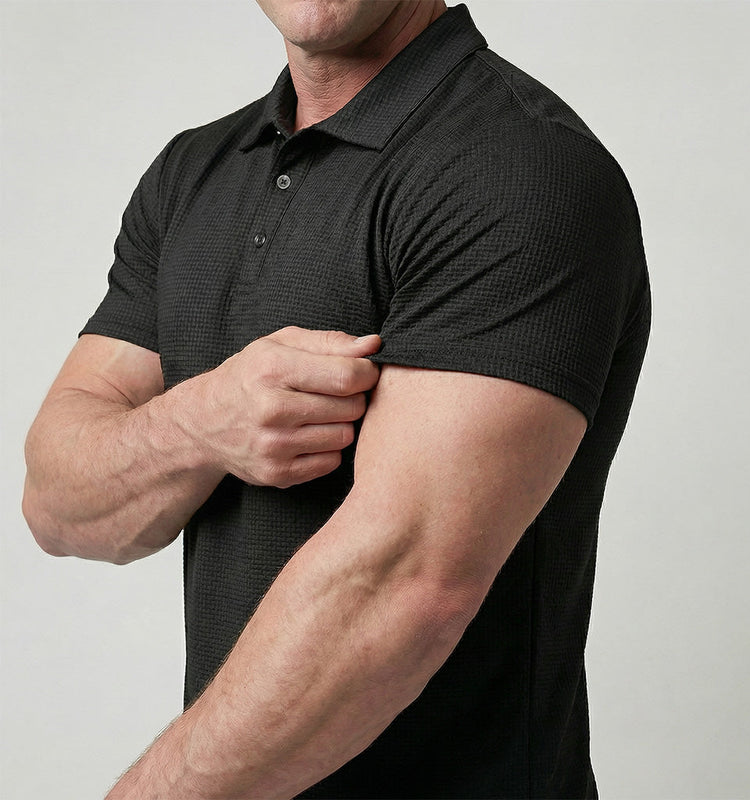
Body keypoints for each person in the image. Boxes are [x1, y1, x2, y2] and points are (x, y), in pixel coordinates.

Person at [22, 1, 650, 797]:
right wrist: (202, 422)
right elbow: (58, 504)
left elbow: (404, 586)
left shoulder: (521, 165)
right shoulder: (192, 172)